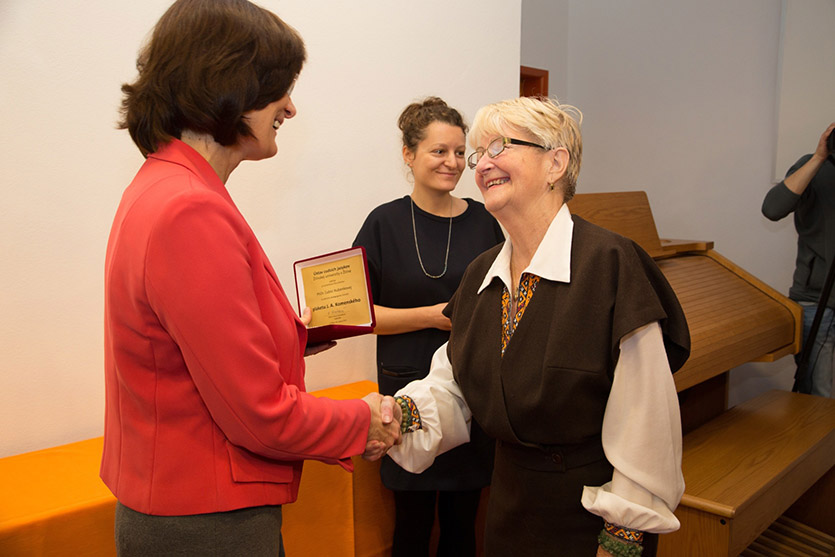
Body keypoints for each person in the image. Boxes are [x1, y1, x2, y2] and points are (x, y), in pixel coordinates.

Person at [101, 1, 400, 555]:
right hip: (206, 521)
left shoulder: (164, 185)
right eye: (279, 87)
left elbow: (187, 346)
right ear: (230, 84)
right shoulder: (190, 209)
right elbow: (258, 415)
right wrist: (363, 421)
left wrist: (292, 334)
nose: (290, 106)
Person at [385, 96, 691, 556]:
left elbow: (646, 419)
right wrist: (393, 417)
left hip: (589, 522)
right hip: (508, 511)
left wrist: (621, 537)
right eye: (479, 153)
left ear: (555, 163)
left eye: (499, 146)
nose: (483, 164)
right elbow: (454, 385)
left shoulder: (611, 264)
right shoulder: (481, 274)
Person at [353, 97, 504, 556]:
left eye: (459, 152)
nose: (452, 163)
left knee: (462, 526)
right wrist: (432, 316)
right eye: (439, 151)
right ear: (409, 153)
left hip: (469, 392)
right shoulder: (384, 223)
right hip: (405, 395)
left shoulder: (486, 222)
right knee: (411, 527)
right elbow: (357, 315)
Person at [763, 123, 835, 398]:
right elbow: (772, 209)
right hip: (818, 301)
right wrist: (818, 157)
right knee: (818, 395)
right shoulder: (813, 167)